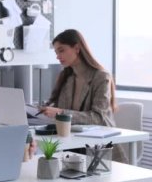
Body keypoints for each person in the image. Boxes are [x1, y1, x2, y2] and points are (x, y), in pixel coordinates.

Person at [40, 29, 127, 163]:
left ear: (77, 48)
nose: (58, 56)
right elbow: (59, 110)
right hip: (73, 143)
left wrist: (61, 112)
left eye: (61, 50)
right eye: (56, 52)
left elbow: (97, 118)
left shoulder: (101, 76)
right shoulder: (67, 78)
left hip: (99, 147)